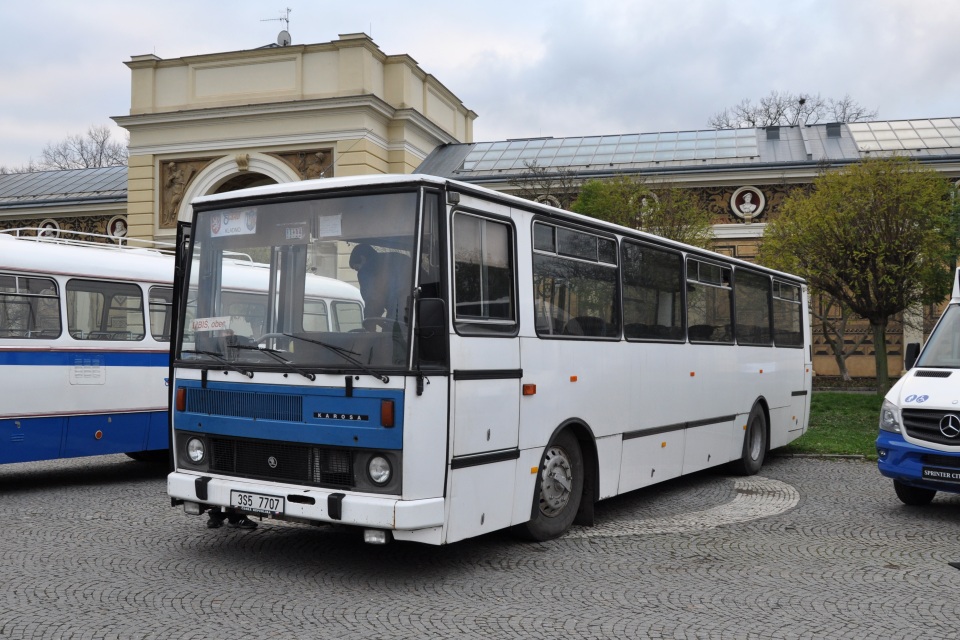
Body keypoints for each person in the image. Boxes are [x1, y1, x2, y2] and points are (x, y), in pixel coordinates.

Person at [349, 244, 411, 321]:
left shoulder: (366, 269)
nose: (359, 271)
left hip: (400, 316)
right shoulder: (401, 259)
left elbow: (373, 301)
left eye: (357, 268)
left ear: (363, 258)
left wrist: (369, 323)